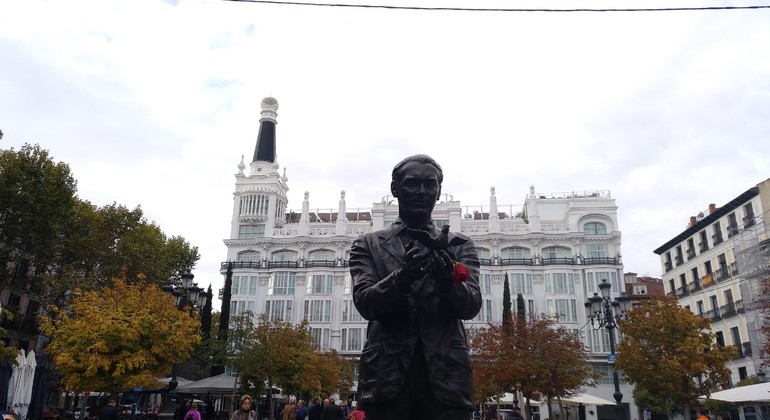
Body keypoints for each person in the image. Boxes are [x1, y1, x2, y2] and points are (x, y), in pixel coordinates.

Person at [350, 154, 481, 420]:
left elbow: (471, 305)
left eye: (430, 184)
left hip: (448, 380)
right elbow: (365, 302)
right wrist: (402, 278)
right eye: (412, 183)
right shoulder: (368, 244)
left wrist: (448, 285)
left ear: (439, 191)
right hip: (385, 379)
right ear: (395, 189)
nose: (422, 191)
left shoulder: (460, 244)